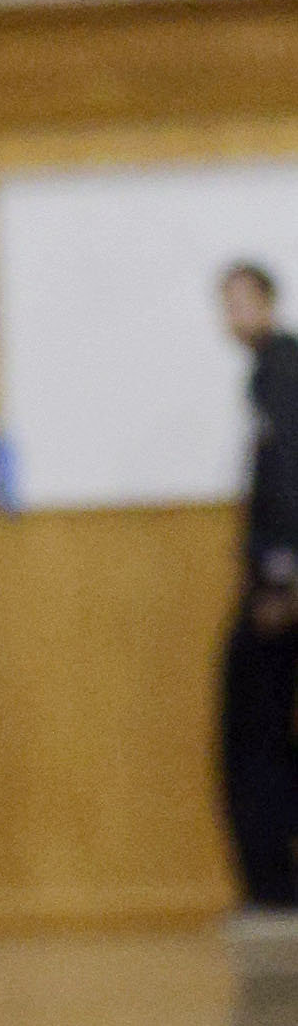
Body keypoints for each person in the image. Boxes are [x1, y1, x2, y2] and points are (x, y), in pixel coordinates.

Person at [217, 263, 298, 919]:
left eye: (241, 302)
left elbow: (288, 476)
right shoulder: (267, 373)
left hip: (280, 584)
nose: (231, 315)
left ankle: (273, 886)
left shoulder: (282, 371)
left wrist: (279, 575)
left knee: (253, 731)